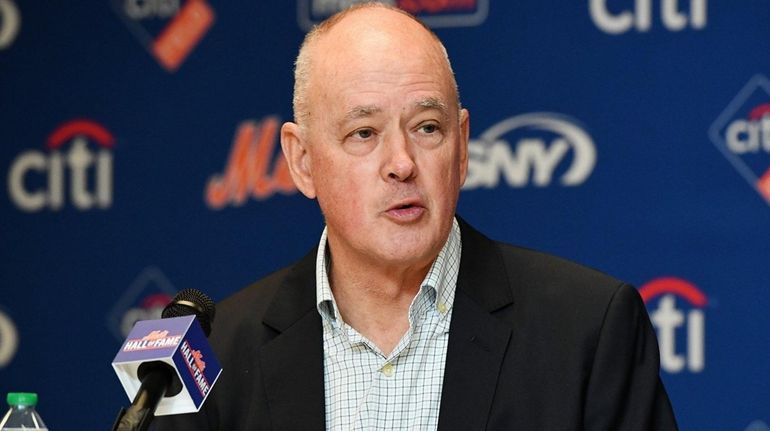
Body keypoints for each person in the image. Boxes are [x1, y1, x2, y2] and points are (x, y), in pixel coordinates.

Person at [153, 3, 677, 430]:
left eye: (427, 128)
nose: (402, 163)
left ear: (463, 146)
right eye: (364, 133)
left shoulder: (588, 330)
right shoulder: (213, 356)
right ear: (302, 161)